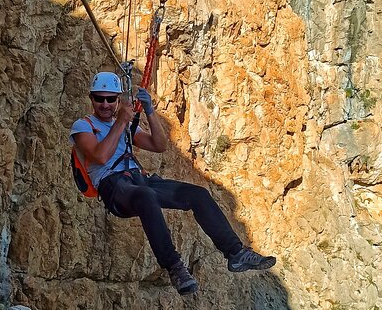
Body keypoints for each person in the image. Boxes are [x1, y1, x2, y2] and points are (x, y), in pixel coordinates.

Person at [70, 72, 276, 296]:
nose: (105, 104)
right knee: (145, 197)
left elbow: (159, 145)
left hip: (138, 181)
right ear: (91, 99)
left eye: (111, 99)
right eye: (100, 98)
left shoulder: (126, 127)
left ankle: (235, 253)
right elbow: (100, 156)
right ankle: (175, 267)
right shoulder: (84, 126)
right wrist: (120, 121)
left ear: (118, 100)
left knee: (197, 194)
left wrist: (149, 111)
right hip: (114, 187)